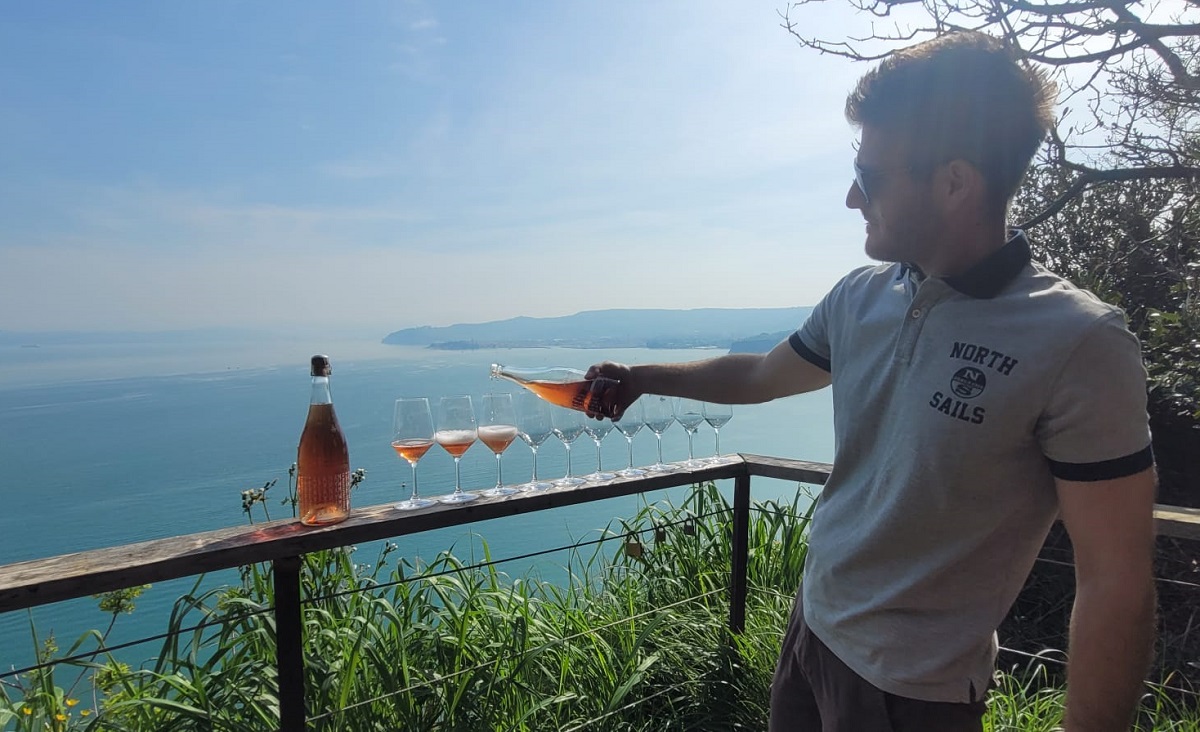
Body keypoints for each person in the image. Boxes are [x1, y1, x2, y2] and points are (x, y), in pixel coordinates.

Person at [585, 31, 1156, 732]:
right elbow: (764, 375)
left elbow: (1116, 577)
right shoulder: (861, 297)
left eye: (872, 174)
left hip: (913, 690)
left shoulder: (1079, 340)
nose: (853, 197)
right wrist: (642, 377)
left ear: (954, 182)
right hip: (811, 631)